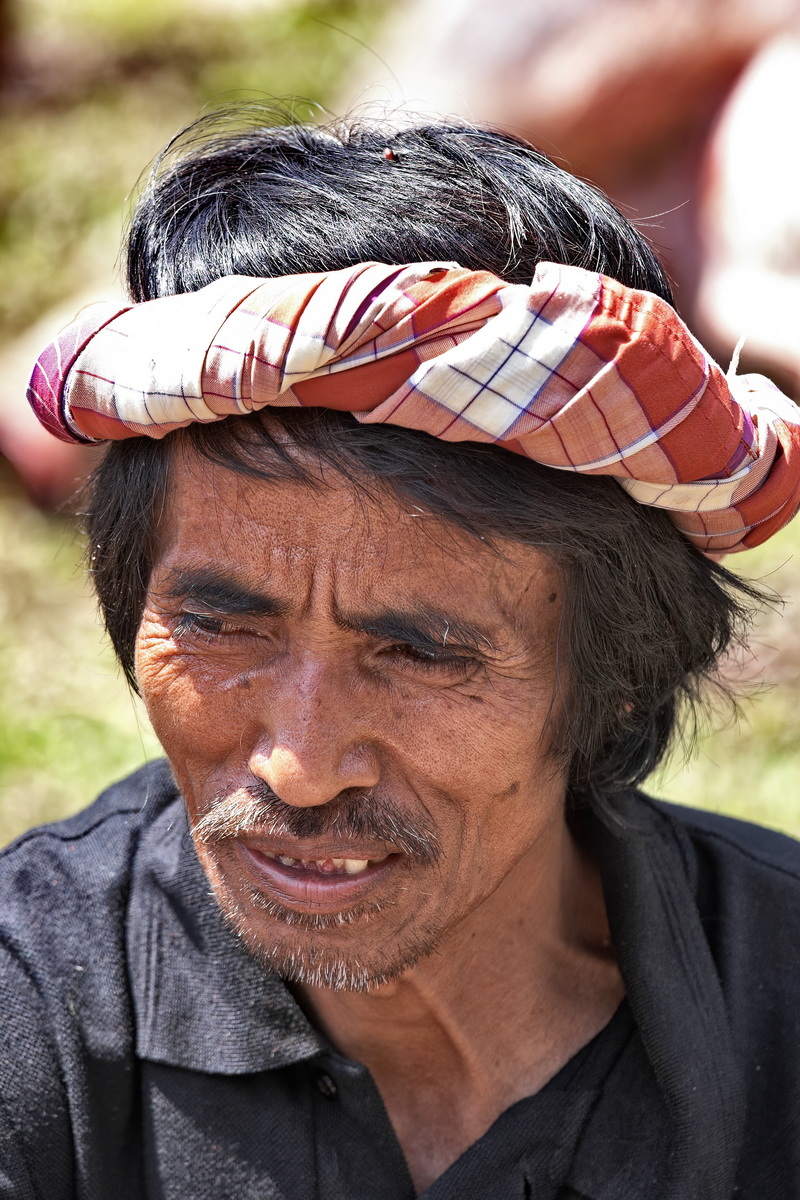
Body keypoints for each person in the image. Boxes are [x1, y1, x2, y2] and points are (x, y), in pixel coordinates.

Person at [6, 113, 800, 1199]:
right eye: (221, 626)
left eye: (419, 654)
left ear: (618, 678)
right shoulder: (31, 1004)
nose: (299, 766)